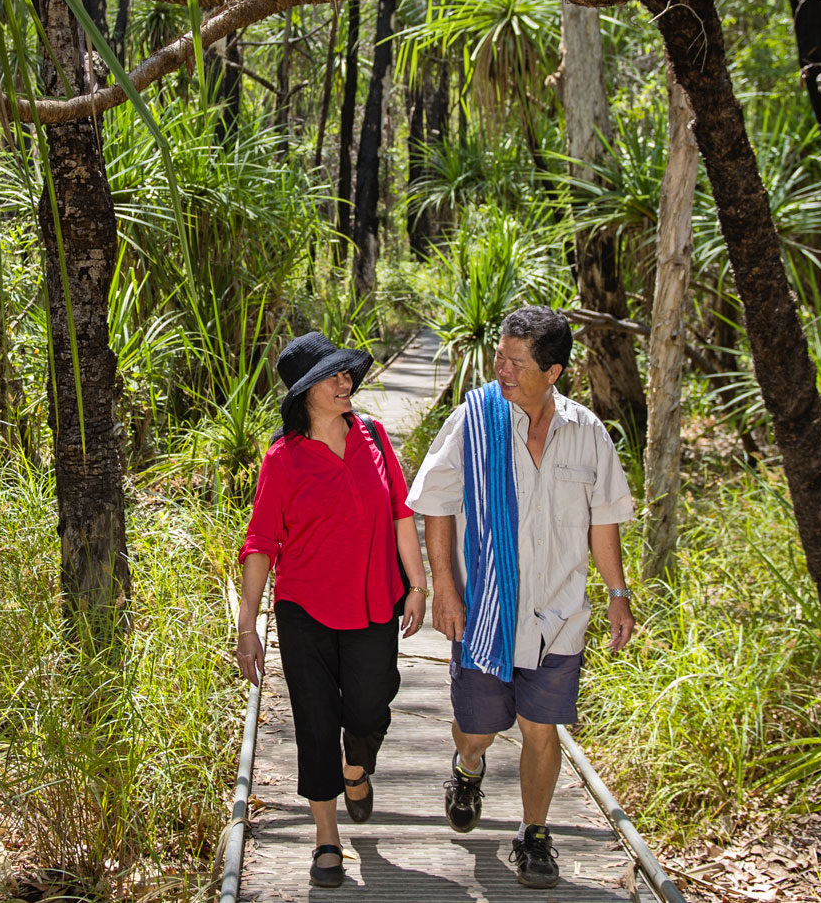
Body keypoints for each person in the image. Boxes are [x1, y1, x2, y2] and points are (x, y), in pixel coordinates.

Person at [406, 306, 637, 890]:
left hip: (558, 617)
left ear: (553, 370)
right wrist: (445, 589)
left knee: (542, 728)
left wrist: (617, 593)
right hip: (485, 611)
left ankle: (534, 834)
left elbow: (603, 523)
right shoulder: (474, 421)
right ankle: (468, 766)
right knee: (477, 728)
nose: (501, 369)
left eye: (516, 361)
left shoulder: (587, 434)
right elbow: (435, 503)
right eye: (499, 357)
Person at [235, 332, 429, 889]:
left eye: (347, 374)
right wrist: (248, 626)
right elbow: (261, 543)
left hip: (373, 601)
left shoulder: (373, 434)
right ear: (305, 393)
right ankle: (326, 836)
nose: (347, 383)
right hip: (305, 611)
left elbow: (399, 512)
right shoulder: (285, 459)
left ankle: (356, 768)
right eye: (333, 377)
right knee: (316, 722)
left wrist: (418, 585)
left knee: (370, 707)